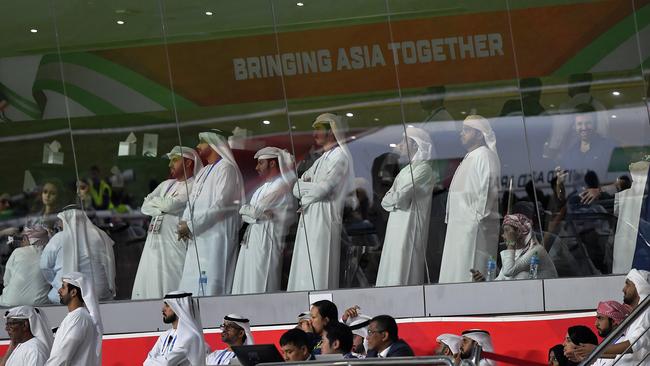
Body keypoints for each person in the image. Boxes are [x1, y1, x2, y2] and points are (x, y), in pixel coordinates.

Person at [287, 113, 354, 291]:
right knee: (305, 266)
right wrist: (311, 190)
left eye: (318, 130)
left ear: (331, 133)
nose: (314, 134)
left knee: (318, 266)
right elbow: (296, 187)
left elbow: (324, 189)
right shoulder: (322, 159)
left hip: (324, 218)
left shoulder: (339, 156)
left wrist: (307, 191)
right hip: (310, 217)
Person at [177, 131, 245, 296]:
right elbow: (191, 201)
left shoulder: (226, 168)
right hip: (197, 235)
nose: (198, 146)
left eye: (202, 143)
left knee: (211, 284)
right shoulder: (203, 171)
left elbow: (221, 204)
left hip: (216, 235)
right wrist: (183, 223)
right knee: (192, 283)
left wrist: (192, 225)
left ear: (214, 145)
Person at [132, 146, 203, 300]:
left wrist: (156, 203)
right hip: (153, 242)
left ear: (189, 163)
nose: (170, 164)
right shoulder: (166, 184)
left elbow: (170, 205)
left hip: (172, 244)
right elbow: (145, 206)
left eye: (175, 160)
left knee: (169, 282)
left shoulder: (194, 185)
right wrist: (161, 207)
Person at [439, 115, 501, 283]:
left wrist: (476, 220)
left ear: (480, 134)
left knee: (469, 274)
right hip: (459, 229)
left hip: (473, 230)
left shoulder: (485, 156)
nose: (462, 133)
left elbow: (489, 191)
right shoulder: (470, 157)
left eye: (467, 130)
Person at [231, 147, 296, 294]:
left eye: (260, 163)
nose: (256, 167)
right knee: (246, 282)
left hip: (266, 241)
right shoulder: (263, 187)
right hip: (253, 238)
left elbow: (254, 211)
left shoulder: (280, 185)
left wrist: (253, 212)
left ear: (272, 164)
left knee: (260, 283)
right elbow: (246, 214)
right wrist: (254, 213)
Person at [376, 127, 435, 286]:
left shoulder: (424, 169)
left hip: (409, 229)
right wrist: (393, 198)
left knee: (403, 272)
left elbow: (400, 198)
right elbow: (385, 201)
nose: (400, 145)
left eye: (405, 141)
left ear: (416, 145)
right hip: (395, 229)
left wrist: (392, 198)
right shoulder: (404, 172)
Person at [40, 206, 116, 303]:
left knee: (53, 295)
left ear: (66, 220)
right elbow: (110, 264)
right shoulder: (100, 235)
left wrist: (55, 282)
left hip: (67, 295)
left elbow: (44, 266)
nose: (59, 224)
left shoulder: (59, 238)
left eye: (61, 220)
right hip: (99, 294)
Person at [574, 269, 650, 365]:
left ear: (638, 286)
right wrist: (591, 354)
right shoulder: (640, 314)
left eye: (628, 284)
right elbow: (622, 355)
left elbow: (634, 344)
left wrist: (596, 350)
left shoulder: (647, 311)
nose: (623, 289)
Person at [471, 214, 557, 281]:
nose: (503, 235)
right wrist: (484, 281)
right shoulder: (514, 253)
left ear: (519, 232)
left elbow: (508, 271)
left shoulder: (537, 251)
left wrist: (511, 244)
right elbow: (500, 281)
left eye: (507, 231)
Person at [546, 73, 609, 161]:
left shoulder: (566, 108)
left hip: (572, 159)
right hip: (598, 154)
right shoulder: (600, 106)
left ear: (575, 85)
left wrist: (550, 156)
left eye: (570, 84)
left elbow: (557, 137)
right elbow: (604, 132)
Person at [46, 272, 102, 366]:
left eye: (63, 287)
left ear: (73, 292)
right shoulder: (75, 316)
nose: (59, 291)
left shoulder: (79, 317)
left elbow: (63, 355)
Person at [144, 291, 207, 366]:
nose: (163, 309)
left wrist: (155, 361)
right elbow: (146, 362)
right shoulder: (164, 336)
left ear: (178, 308)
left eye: (167, 306)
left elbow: (166, 363)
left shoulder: (190, 337)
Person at [0, 225, 51, 306]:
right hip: (39, 304)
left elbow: (6, 281)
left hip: (10, 302)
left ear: (25, 239)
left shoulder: (17, 252)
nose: (20, 243)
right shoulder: (47, 254)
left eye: (22, 240)